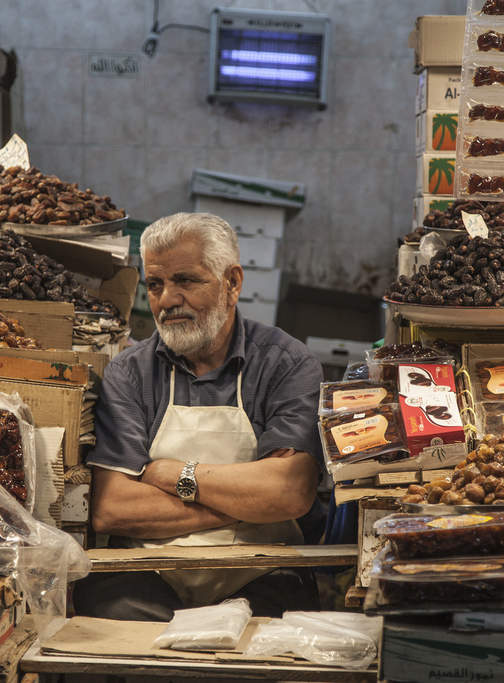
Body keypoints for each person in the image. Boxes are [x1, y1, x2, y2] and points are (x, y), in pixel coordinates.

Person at [73, 212, 325, 621]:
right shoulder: (129, 372)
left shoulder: (287, 364)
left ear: (233, 283)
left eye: (186, 281)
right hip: (147, 572)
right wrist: (247, 503)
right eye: (155, 285)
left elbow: (289, 492)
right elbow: (113, 508)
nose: (168, 300)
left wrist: (171, 474)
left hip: (258, 572)